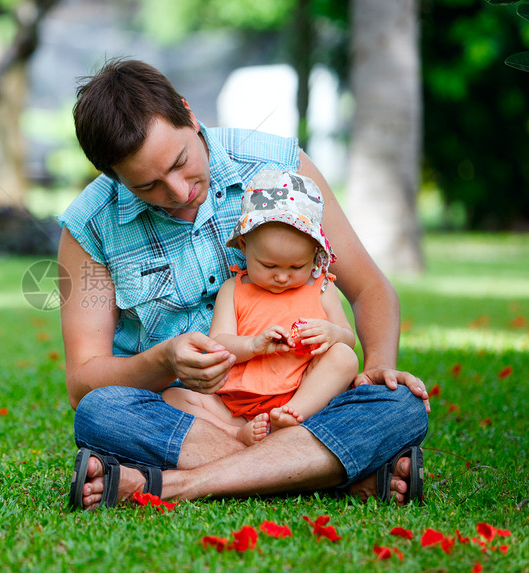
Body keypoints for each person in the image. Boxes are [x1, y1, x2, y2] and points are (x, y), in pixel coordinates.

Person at [57, 58, 429, 511]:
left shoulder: (280, 167)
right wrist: (162, 358)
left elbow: (370, 289)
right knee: (101, 413)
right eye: (148, 185)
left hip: (305, 403)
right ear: (114, 178)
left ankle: (172, 485)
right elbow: (84, 381)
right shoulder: (90, 227)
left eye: (180, 162)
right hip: (195, 416)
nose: (178, 192)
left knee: (399, 403)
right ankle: (328, 473)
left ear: (190, 116)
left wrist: (377, 368)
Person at [163, 169, 359, 446]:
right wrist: (253, 345)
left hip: (302, 393)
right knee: (173, 397)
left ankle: (292, 418)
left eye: (296, 267)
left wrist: (332, 334)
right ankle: (236, 435)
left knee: (344, 358)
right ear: (244, 246)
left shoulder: (322, 287)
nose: (281, 276)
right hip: (235, 406)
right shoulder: (235, 289)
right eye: (268, 266)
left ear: (315, 253)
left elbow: (348, 340)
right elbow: (219, 344)